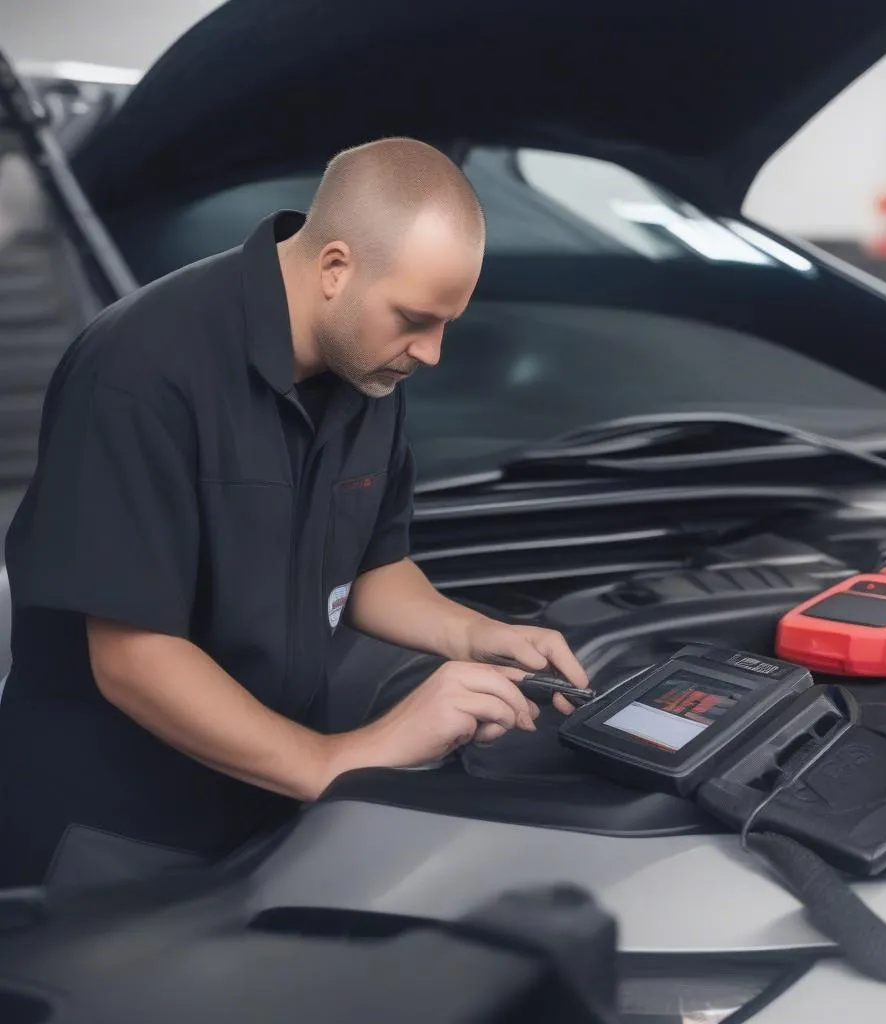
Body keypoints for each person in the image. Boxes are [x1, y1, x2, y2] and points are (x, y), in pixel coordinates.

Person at [0, 137, 589, 890]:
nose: (432, 352)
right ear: (335, 267)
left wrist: (478, 634)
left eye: (446, 323)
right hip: (110, 834)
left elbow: (370, 566)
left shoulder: (367, 367)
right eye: (415, 317)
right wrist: (333, 759)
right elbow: (132, 659)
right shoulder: (141, 370)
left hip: (262, 810)